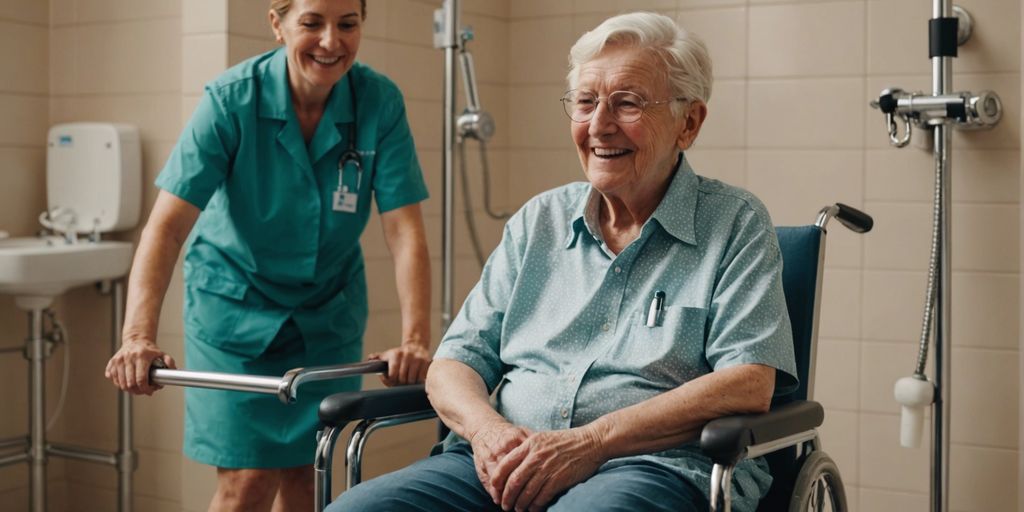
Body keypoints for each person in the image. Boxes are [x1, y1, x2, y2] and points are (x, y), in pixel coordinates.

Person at [331, 11, 798, 512]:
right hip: (498, 463)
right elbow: (453, 363)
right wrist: (490, 435)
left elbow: (748, 381)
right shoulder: (540, 221)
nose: (599, 125)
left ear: (689, 122)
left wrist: (589, 443)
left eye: (628, 103)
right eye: (585, 102)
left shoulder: (734, 223)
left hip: (652, 467)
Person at [103, 0, 433, 510]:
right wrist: (136, 338)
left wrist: (415, 340)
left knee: (309, 478)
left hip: (326, 315)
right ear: (277, 24)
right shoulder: (231, 101)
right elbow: (166, 228)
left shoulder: (378, 101)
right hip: (235, 312)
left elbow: (405, 231)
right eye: (311, 23)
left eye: (348, 24)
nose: (331, 41)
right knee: (246, 484)